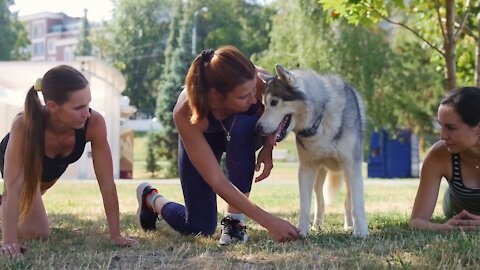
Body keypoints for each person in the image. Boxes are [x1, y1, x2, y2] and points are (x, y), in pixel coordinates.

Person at [136, 46, 300, 245]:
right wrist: (269, 221)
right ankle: (151, 199)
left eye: (252, 92)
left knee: (242, 128)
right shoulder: (185, 112)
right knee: (199, 227)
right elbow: (217, 180)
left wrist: (268, 145)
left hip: (241, 133)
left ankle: (234, 223)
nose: (253, 100)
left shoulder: (258, 81)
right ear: (215, 96)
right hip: (205, 140)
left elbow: (276, 111)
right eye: (243, 96)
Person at [0, 65, 138, 258]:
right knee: (37, 232)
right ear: (52, 107)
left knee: (29, 207)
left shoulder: (94, 123)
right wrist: (9, 241)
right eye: (78, 107)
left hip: (46, 178)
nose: (87, 113)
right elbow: (12, 188)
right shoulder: (24, 125)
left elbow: (107, 183)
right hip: (24, 172)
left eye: (88, 104)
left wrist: (116, 235)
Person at [410, 86, 480, 232]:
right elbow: (417, 221)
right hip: (455, 206)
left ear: (477, 128)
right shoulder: (439, 155)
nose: (442, 135)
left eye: (450, 127)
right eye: (441, 126)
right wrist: (444, 227)